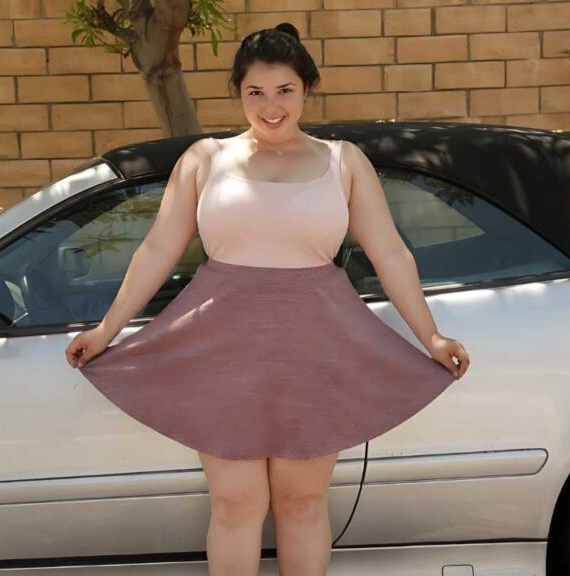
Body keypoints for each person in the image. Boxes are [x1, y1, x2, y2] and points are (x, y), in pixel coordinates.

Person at [64, 22, 470, 576]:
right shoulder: (205, 159)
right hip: (221, 348)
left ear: (306, 90)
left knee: (302, 503)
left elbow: (391, 254)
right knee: (236, 502)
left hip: (316, 347)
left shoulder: (343, 162)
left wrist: (431, 335)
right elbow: (158, 247)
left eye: (284, 91)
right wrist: (107, 331)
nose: (270, 106)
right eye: (255, 92)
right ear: (238, 93)